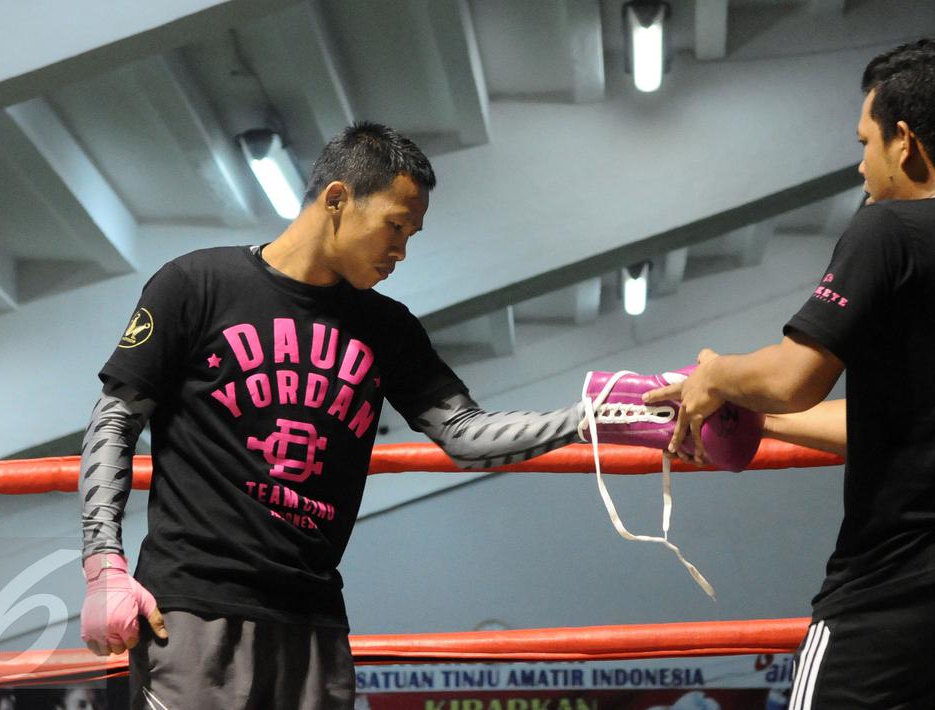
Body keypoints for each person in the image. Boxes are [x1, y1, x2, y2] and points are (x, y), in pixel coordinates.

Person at [77, 122, 586, 710]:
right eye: (395, 226)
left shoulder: (388, 328)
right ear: (338, 199)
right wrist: (103, 567)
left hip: (314, 619)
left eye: (411, 235)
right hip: (197, 611)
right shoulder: (197, 284)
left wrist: (589, 417)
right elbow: (117, 416)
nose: (401, 251)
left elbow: (465, 433)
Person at [646, 38, 935, 708]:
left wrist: (717, 375)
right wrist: (754, 411)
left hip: (902, 589)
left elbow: (794, 376)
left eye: (865, 140)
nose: (860, 164)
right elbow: (928, 422)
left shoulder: (888, 229)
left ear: (903, 142)